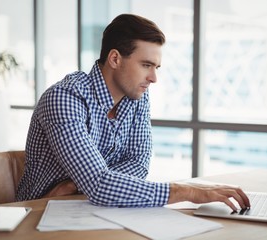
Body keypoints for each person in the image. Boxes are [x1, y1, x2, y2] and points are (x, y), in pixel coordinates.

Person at [16, 14, 250, 211]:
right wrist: (186, 191)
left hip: (90, 208)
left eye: (156, 67)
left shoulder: (137, 96)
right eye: (146, 65)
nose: (153, 78)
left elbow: (138, 164)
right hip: (36, 213)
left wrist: (76, 185)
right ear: (115, 58)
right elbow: (98, 185)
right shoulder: (64, 98)